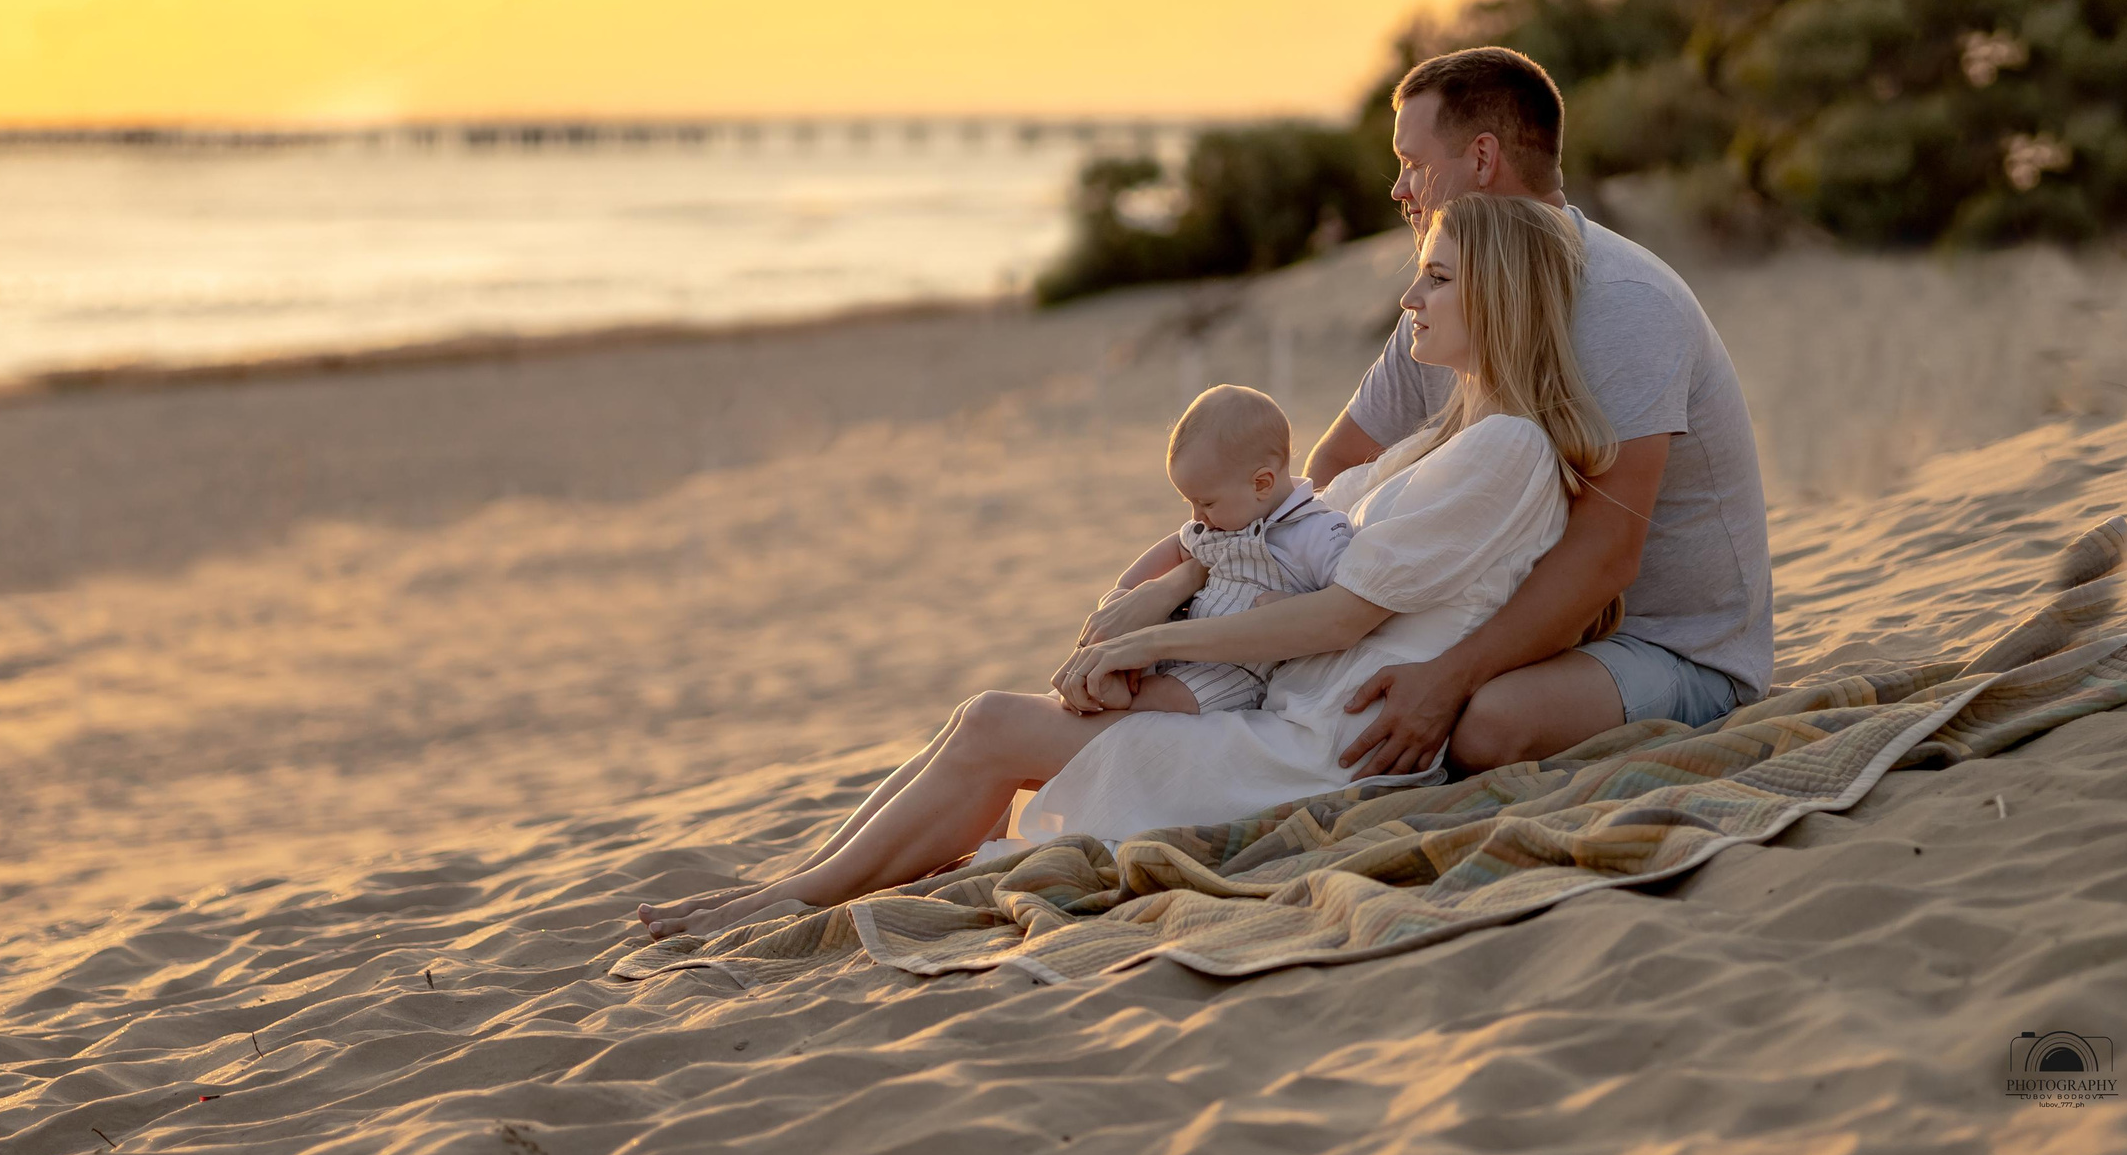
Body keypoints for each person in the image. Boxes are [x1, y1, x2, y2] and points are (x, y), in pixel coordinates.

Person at [636, 192, 1608, 937]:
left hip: (1317, 749)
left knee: (991, 727)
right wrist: (1163, 597)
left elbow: (1338, 618)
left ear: (1500, 293)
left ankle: (795, 897)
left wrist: (1148, 639)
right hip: (1268, 711)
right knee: (987, 721)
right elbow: (1264, 540)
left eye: (1436, 278)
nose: (1409, 297)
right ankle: (808, 880)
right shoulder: (1425, 449)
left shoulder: (1508, 451)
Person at [1294, 46, 1773, 780]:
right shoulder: (1445, 287)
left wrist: (1446, 675)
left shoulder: (1621, 302)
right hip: (1506, 626)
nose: (1398, 188)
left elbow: (1607, 553)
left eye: (1413, 163)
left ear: (1482, 158)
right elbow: (1336, 466)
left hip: (1667, 647)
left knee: (1487, 724)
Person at [1083, 383, 1353, 716]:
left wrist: (1295, 606)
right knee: (1128, 643)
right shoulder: (1217, 525)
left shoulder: (1317, 531)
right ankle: (1116, 682)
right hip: (1179, 636)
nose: (1196, 516)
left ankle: (1121, 699)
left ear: (1262, 483)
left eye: (1206, 502)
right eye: (1190, 502)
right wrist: (1124, 598)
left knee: (1173, 699)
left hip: (1236, 666)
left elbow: (1345, 599)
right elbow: (1156, 564)